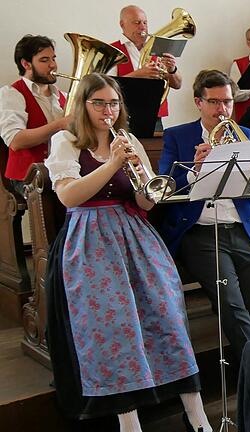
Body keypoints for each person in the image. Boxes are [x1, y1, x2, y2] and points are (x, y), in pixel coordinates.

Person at [44, 73, 210, 432]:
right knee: (114, 326)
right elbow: (69, 196)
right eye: (99, 102)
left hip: (133, 233)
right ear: (83, 105)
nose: (108, 110)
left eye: (114, 103)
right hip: (89, 239)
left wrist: (152, 175)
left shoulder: (127, 139)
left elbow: (146, 203)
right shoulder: (66, 140)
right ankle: (128, 420)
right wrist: (113, 164)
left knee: (167, 316)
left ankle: (196, 414)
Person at [158, 70, 250, 359]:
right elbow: (165, 186)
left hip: (242, 227)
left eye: (228, 102)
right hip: (201, 231)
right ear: (199, 102)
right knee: (232, 304)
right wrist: (195, 170)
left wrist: (249, 165)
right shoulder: (177, 136)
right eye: (215, 102)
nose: (223, 110)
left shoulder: (249, 135)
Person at [0, 35, 69, 194]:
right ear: (26, 64)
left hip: (59, 170)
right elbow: (16, 141)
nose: (53, 65)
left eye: (53, 58)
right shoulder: (12, 94)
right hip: (27, 176)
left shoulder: (63, 96)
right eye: (44, 60)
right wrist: (60, 124)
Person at [112, 5, 183, 125]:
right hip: (123, 115)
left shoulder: (158, 48)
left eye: (145, 22)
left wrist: (172, 70)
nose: (142, 27)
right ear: (122, 24)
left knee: (156, 145)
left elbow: (177, 84)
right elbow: (107, 85)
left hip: (155, 116)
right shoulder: (113, 50)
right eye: (137, 22)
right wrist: (137, 75)